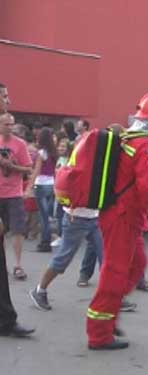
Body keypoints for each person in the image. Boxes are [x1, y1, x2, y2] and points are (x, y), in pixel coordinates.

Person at [86, 92, 148, 350]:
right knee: (115, 272)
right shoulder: (145, 144)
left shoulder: (130, 137)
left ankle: (109, 313)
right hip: (122, 216)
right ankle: (99, 333)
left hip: (125, 214)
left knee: (137, 265)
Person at [0, 83, 35, 338]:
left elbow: (28, 167)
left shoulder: (19, 143)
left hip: (10, 195)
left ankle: (5, 320)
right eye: (4, 96)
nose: (8, 100)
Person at [0, 113, 33, 280]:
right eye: (6, 124)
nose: (9, 127)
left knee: (17, 230)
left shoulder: (19, 144)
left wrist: (11, 166)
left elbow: (28, 169)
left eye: (12, 124)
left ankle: (18, 265)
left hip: (14, 194)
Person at [26, 127, 57, 253]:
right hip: (51, 184)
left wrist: (29, 186)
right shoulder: (53, 153)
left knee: (43, 216)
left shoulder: (41, 153)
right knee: (47, 215)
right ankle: (46, 240)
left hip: (41, 184)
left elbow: (37, 170)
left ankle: (45, 242)